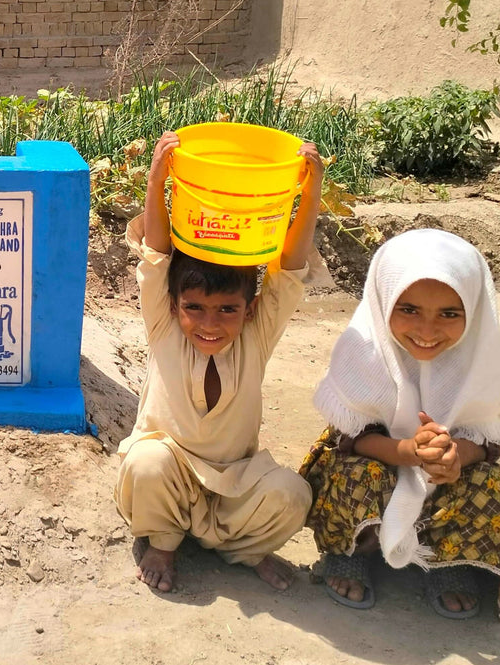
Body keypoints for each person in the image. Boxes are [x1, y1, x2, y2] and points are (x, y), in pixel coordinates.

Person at [114, 130, 325, 593]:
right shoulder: (164, 327)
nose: (210, 323)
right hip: (169, 476)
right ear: (174, 307)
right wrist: (158, 179)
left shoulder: (258, 334)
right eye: (195, 308)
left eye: (227, 309)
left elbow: (288, 268)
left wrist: (310, 191)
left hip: (236, 481)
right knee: (146, 463)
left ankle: (241, 550)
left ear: (248, 310)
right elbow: (157, 255)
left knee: (292, 495)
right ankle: (164, 543)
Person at [299, 228, 500, 618]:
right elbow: (350, 438)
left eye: (449, 314)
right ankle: (350, 551)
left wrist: (455, 454)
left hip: (452, 471)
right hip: (378, 459)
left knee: (489, 479)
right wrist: (407, 451)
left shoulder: (488, 356)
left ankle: (449, 561)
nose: (427, 331)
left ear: (474, 310)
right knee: (355, 474)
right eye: (408, 309)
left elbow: (493, 436)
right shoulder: (363, 348)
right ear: (383, 300)